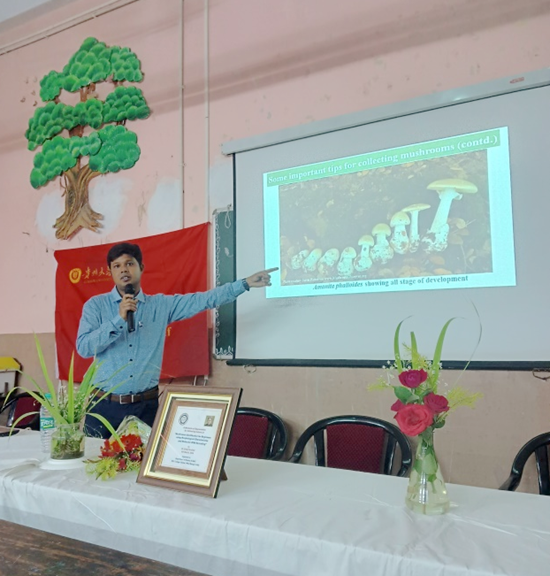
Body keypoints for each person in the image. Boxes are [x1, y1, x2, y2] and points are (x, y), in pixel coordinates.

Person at [76, 242, 276, 438]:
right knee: (96, 468)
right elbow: (84, 348)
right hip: (103, 407)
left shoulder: (161, 305)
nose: (123, 270)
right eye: (116, 266)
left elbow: (204, 299)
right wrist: (118, 320)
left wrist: (244, 284)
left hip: (145, 407)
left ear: (141, 267)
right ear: (110, 271)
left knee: (143, 468)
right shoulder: (96, 306)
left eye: (129, 263)